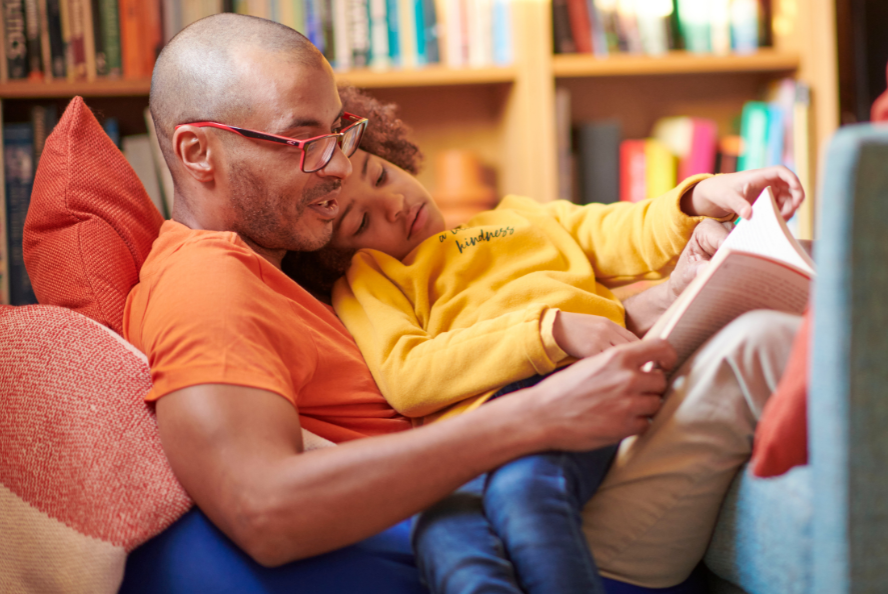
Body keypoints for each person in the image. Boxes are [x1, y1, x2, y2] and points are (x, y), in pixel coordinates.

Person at [125, 12, 802, 589]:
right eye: (304, 140)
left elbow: (525, 295)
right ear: (198, 153)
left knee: (757, 309)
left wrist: (669, 281)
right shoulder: (208, 283)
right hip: (518, 516)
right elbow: (262, 508)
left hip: (532, 483)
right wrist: (538, 416)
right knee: (764, 345)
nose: (337, 166)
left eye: (340, 134)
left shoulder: (289, 274)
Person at [275, 85, 803, 594]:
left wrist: (700, 196)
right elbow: (409, 375)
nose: (392, 204)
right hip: (475, 441)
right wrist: (550, 329)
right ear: (333, 255)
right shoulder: (371, 280)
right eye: (361, 222)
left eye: (380, 175)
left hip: (581, 394)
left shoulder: (516, 219)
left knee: (526, 494)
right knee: (441, 536)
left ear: (394, 157)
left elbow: (621, 228)